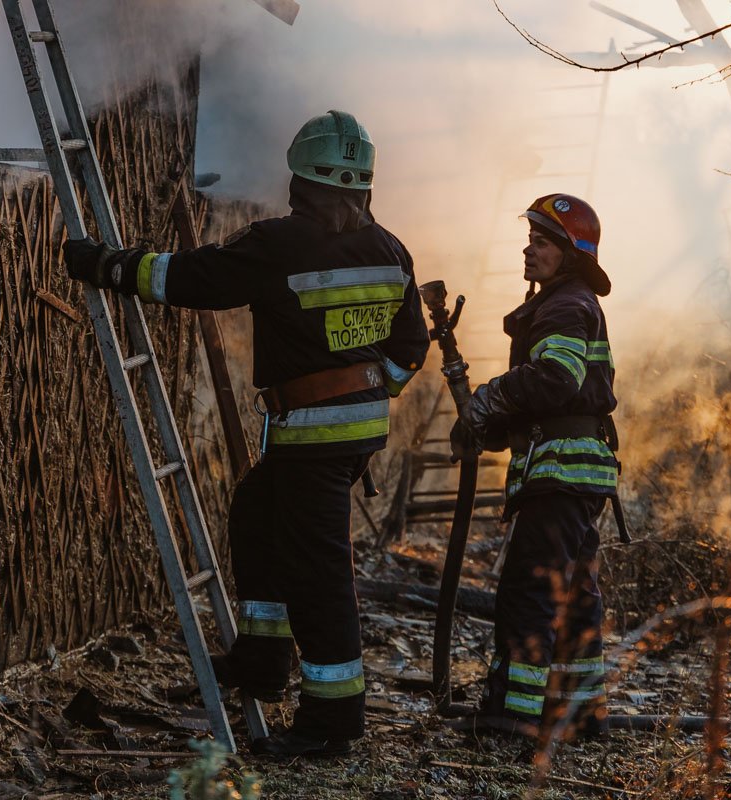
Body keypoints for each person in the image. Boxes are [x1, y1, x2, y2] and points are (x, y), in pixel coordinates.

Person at [62, 110, 429, 757]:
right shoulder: (391, 250)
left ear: (301, 182)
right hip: (345, 439)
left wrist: (109, 266)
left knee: (318, 576)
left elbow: (191, 278)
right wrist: (367, 390)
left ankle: (330, 723)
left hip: (313, 440)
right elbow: (410, 349)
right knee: (257, 515)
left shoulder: (282, 243)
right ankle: (262, 660)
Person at [451, 194, 619, 740]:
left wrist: (488, 398)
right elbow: (555, 397)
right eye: (529, 239)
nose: (529, 250)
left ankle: (514, 716)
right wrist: (497, 425)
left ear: (571, 254)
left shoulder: (566, 305)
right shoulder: (564, 302)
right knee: (574, 597)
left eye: (542, 242)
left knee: (530, 593)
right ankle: (578, 713)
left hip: (562, 471)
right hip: (576, 473)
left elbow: (556, 380)